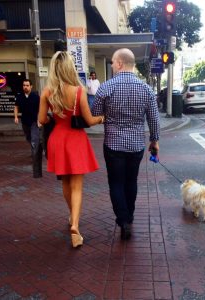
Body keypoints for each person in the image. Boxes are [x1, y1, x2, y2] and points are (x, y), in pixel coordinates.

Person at [92, 48, 160, 240]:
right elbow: (154, 119)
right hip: (136, 145)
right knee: (131, 181)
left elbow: (96, 114)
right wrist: (154, 141)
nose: (112, 65)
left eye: (113, 62)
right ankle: (128, 217)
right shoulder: (146, 88)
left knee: (116, 182)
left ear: (120, 63)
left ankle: (123, 219)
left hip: (113, 144)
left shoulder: (106, 87)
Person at [38, 51, 104, 248]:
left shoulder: (47, 92)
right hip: (75, 140)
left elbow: (42, 120)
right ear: (69, 68)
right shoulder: (78, 91)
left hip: (57, 139)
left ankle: (71, 216)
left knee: (65, 182)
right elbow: (90, 121)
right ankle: (75, 225)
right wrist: (103, 118)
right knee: (77, 185)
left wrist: (53, 118)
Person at [14, 79, 43, 178]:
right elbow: (16, 107)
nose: (25, 87)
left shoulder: (36, 97)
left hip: (35, 122)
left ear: (31, 86)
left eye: (27, 85)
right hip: (25, 122)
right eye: (24, 85)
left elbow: (41, 108)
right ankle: (36, 149)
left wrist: (39, 120)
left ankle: (35, 156)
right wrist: (16, 117)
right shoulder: (20, 96)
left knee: (34, 140)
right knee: (29, 138)